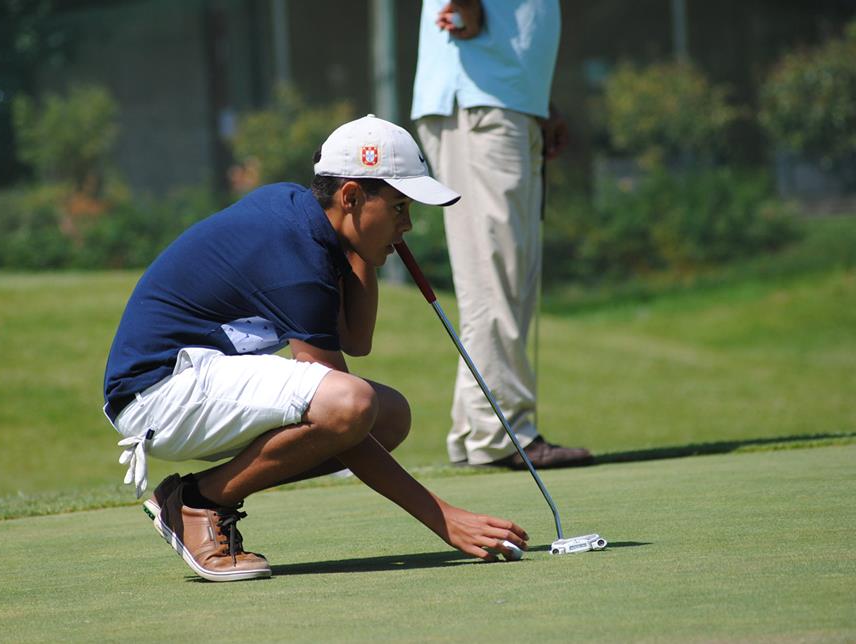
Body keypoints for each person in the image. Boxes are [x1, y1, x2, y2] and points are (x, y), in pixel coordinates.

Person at [102, 115, 529, 582]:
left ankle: (199, 496)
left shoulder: (312, 225)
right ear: (350, 197)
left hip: (198, 382)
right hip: (158, 395)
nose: (407, 225)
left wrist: (366, 249)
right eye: (400, 207)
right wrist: (444, 518)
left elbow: (355, 340)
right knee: (353, 404)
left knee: (389, 416)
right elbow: (341, 406)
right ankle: (201, 504)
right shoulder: (294, 251)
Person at [411, 0, 593, 470]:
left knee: (499, 277)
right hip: (480, 101)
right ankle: (502, 432)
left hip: (501, 98)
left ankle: (478, 430)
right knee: (495, 278)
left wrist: (537, 101)